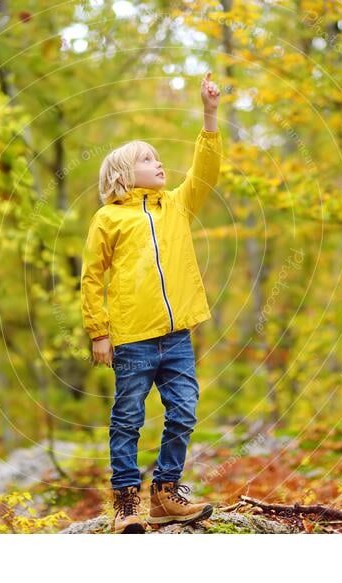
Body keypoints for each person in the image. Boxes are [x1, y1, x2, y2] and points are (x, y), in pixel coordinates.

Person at [80, 73, 223, 533]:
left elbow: (205, 172)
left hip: (177, 337)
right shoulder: (108, 218)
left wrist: (209, 114)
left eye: (159, 157)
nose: (159, 163)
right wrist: (99, 332)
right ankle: (125, 506)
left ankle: (166, 494)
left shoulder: (176, 206)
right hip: (134, 339)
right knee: (128, 418)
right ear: (123, 174)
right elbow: (92, 276)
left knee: (184, 411)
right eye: (148, 158)